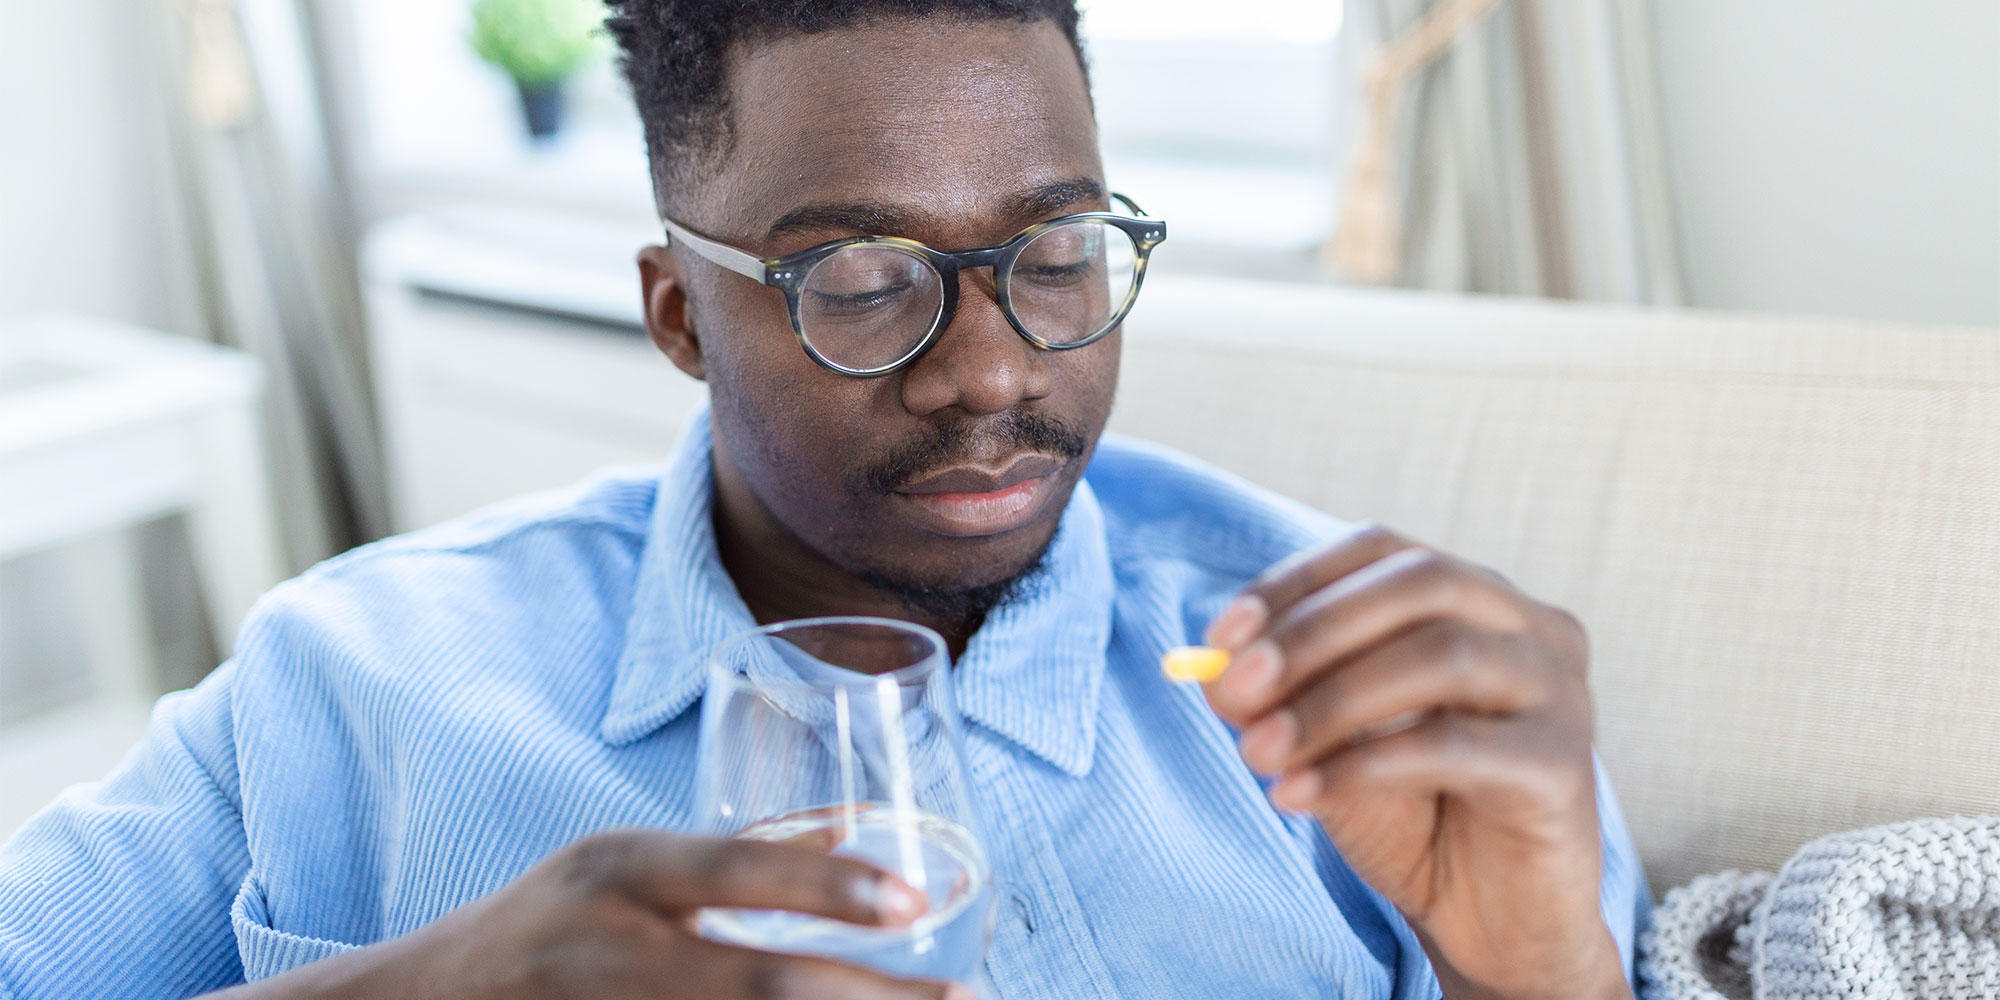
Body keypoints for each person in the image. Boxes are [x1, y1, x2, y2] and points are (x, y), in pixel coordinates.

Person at [0, 2, 1647, 997]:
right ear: (677, 316)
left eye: (1058, 256)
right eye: (862, 282)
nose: (990, 373)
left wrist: (1539, 979)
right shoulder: (347, 682)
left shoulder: (1365, 685)